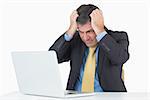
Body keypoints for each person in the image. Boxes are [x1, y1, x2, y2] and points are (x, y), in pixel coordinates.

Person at [49, 4, 129, 92]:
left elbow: (119, 58)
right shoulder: (75, 40)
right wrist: (70, 31)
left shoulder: (118, 37)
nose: (85, 37)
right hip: (76, 96)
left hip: (107, 97)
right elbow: (52, 58)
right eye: (81, 32)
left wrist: (100, 31)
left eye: (90, 31)